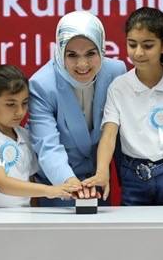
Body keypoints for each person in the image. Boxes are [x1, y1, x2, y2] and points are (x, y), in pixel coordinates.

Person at [85, 7, 163, 205]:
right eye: (132, 44)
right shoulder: (118, 87)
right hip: (133, 176)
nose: (138, 52)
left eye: (148, 45)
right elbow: (109, 135)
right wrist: (102, 171)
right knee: (133, 227)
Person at [28, 11, 126, 205]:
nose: (82, 64)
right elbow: (48, 145)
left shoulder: (116, 72)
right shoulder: (42, 85)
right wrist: (69, 183)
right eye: (72, 55)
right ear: (60, 51)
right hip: (59, 184)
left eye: (91, 53)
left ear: (101, 49)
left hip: (98, 181)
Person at [0, 66, 80, 208]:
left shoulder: (25, 135)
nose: (20, 112)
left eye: (24, 103)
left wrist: (34, 213)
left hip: (20, 214)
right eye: (11, 104)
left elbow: (30, 179)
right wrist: (50, 190)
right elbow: (2, 184)